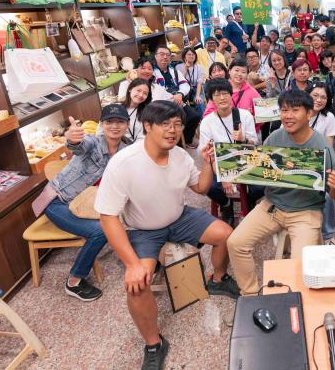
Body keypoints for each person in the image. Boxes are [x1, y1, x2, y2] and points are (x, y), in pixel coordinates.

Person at [96, 101, 240, 370]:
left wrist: (208, 163)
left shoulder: (181, 156)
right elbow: (108, 217)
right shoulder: (124, 163)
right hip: (143, 230)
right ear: (147, 126)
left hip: (179, 217)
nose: (173, 130)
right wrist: (132, 264)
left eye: (177, 124)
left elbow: (201, 188)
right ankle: (154, 343)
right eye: (165, 124)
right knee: (137, 284)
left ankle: (218, 279)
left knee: (226, 234)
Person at [227, 90, 335, 295]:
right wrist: (235, 168)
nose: (288, 116)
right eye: (284, 110)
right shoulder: (274, 137)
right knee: (235, 243)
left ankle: (294, 301)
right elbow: (260, 170)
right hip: (272, 206)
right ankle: (250, 294)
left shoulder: (321, 147)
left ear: (309, 113)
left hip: (305, 211)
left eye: (295, 110)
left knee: (300, 264)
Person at [40, 105, 130, 301]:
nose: (115, 126)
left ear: (127, 125)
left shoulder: (126, 151)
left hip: (89, 204)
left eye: (120, 121)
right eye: (109, 121)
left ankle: (136, 260)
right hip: (58, 202)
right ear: (101, 124)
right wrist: (72, 139)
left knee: (130, 214)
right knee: (101, 230)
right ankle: (74, 281)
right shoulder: (93, 142)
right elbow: (79, 145)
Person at [198, 78, 259, 224]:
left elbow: (254, 143)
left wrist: (244, 139)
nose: (222, 98)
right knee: (209, 186)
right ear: (211, 99)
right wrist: (223, 175)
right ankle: (226, 204)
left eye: (225, 93)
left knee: (261, 186)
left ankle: (248, 201)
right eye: (217, 94)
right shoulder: (207, 122)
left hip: (244, 159)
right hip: (218, 163)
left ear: (231, 95)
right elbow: (209, 154)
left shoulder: (244, 115)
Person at [308, 82, 335, 244]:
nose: (319, 100)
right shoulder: (297, 112)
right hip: (296, 163)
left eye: (323, 97)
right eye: (315, 95)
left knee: (328, 194)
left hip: (319, 164)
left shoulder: (328, 117)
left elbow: (329, 150)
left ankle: (328, 234)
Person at [152, 45, 201, 146]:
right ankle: (175, 144)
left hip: (178, 101)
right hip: (162, 106)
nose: (165, 57)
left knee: (194, 117)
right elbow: (156, 91)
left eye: (167, 55)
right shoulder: (151, 72)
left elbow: (185, 84)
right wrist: (173, 97)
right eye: (162, 54)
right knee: (174, 123)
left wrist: (180, 94)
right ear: (156, 56)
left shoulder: (174, 71)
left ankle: (186, 140)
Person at [204, 57, 261, 130]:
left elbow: (262, 116)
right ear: (229, 71)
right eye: (236, 70)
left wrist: (250, 118)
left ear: (247, 74)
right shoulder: (219, 88)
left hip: (246, 132)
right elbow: (207, 114)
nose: (239, 74)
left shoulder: (252, 92)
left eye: (243, 72)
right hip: (222, 131)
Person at [176, 46, 205, 114]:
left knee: (199, 102)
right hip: (184, 89)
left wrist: (197, 96)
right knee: (180, 104)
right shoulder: (178, 67)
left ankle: (201, 119)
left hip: (196, 89)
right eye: (189, 54)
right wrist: (186, 69)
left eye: (193, 54)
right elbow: (180, 81)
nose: (191, 56)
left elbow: (199, 83)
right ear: (184, 56)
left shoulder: (199, 67)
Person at [123, 78, 152, 142]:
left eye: (145, 93)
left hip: (138, 146)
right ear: (130, 89)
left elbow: (144, 137)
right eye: (138, 90)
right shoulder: (116, 108)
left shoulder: (147, 113)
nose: (141, 95)